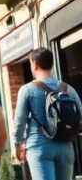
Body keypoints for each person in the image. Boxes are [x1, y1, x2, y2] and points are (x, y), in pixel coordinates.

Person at [13, 48, 82, 180]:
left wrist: (17, 145)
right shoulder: (68, 89)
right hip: (65, 147)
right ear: (51, 64)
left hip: (39, 148)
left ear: (34, 65)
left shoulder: (27, 90)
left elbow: (20, 120)